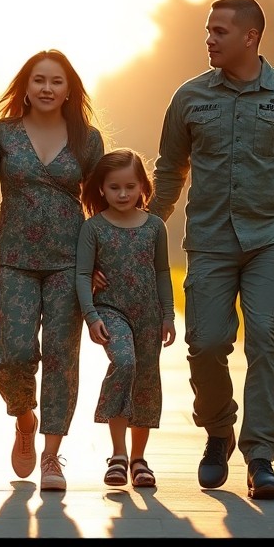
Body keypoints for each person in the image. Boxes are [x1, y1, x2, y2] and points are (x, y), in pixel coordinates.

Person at [145, 0, 274, 501]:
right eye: (207, 31)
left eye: (219, 31)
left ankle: (260, 458)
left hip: (270, 239)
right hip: (209, 242)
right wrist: (145, 230)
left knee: (264, 339)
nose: (208, 39)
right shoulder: (189, 98)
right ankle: (217, 432)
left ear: (250, 37)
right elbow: (169, 169)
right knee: (206, 343)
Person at [0, 49, 105, 491]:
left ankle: (52, 456)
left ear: (69, 89)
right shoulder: (2, 134)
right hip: (12, 258)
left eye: (56, 81)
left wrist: (102, 259)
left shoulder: (87, 140)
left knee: (62, 359)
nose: (46, 88)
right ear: (26, 85)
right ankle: (24, 417)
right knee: (11, 357)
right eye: (38, 80)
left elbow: (101, 202)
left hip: (68, 262)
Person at [75, 148, 175, 490]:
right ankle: (117, 454)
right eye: (114, 187)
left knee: (145, 380)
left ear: (142, 187)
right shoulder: (93, 229)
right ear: (101, 188)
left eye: (129, 186)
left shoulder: (155, 228)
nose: (122, 194)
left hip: (149, 314)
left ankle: (138, 459)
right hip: (110, 311)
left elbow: (162, 272)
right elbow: (82, 274)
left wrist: (169, 315)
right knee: (125, 363)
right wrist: (90, 316)